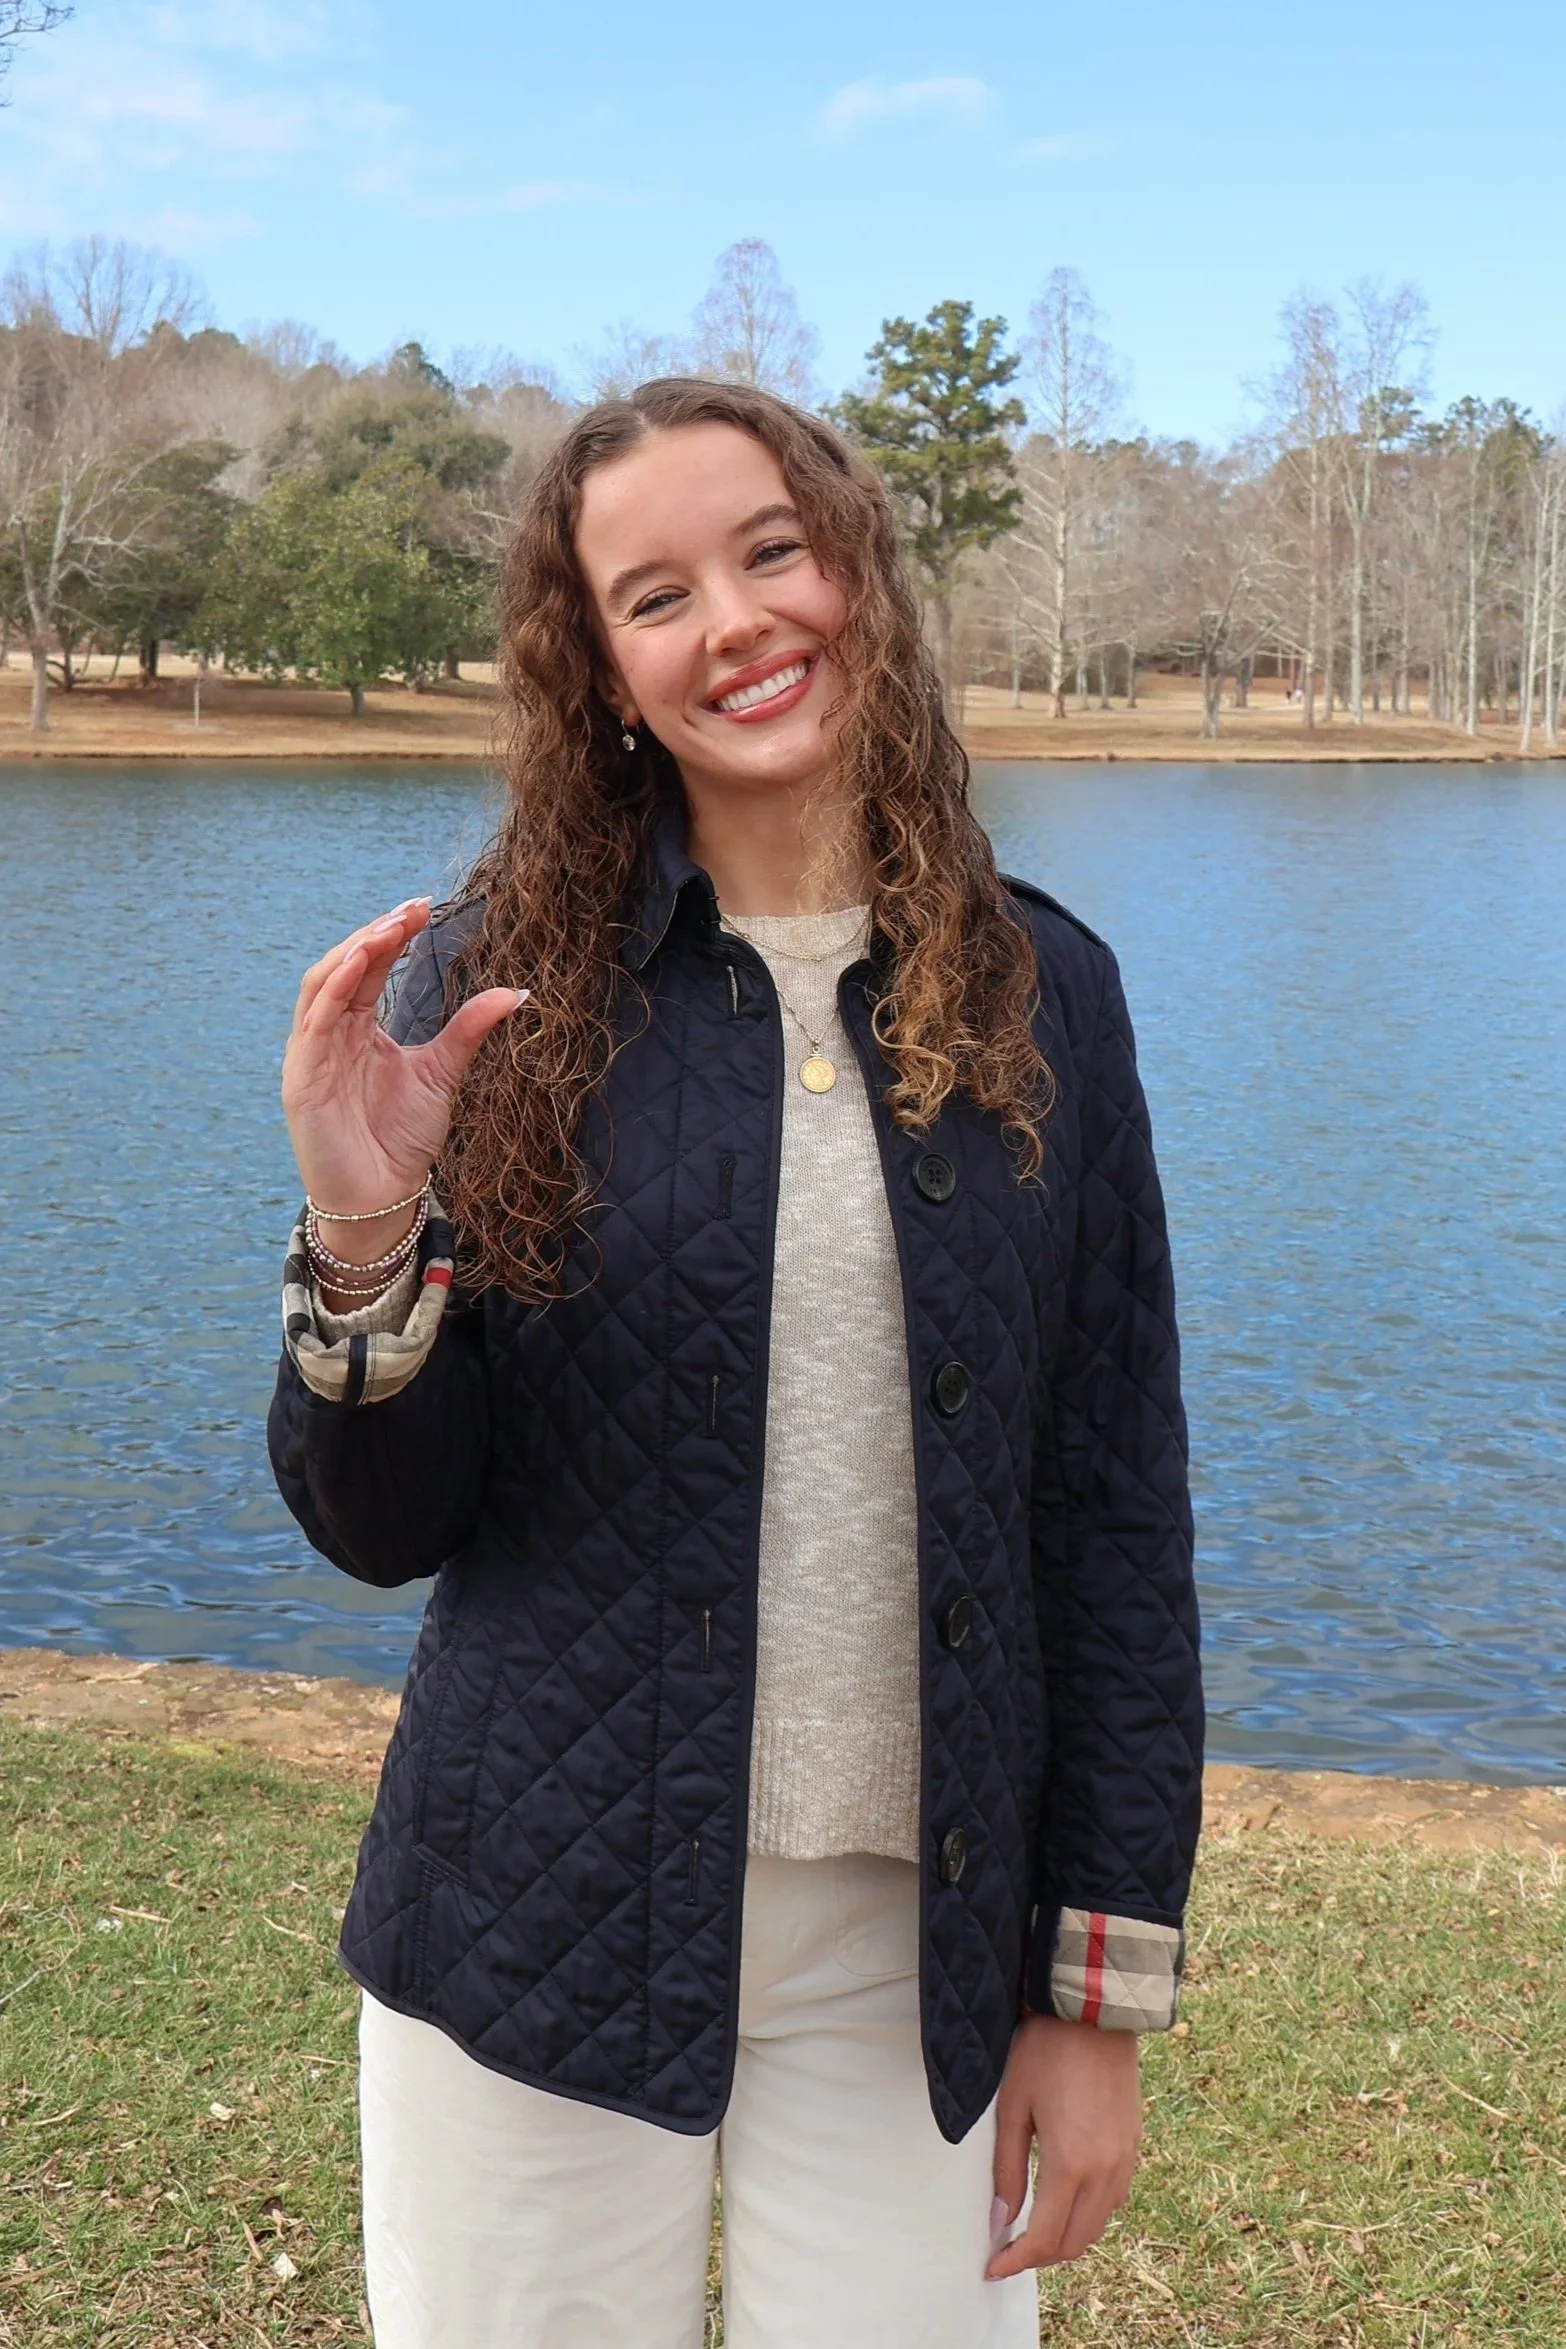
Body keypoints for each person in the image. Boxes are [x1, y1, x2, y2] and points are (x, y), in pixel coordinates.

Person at [268, 377, 1203, 2349]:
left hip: (916, 1953)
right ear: (600, 666)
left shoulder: (1056, 996)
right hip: (534, 1904)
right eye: (658, 592)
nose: (739, 622)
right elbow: (386, 1528)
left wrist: (1094, 2000)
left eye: (773, 550)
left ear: (857, 565)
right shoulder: (497, 984)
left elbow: (1112, 1517)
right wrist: (366, 1234)